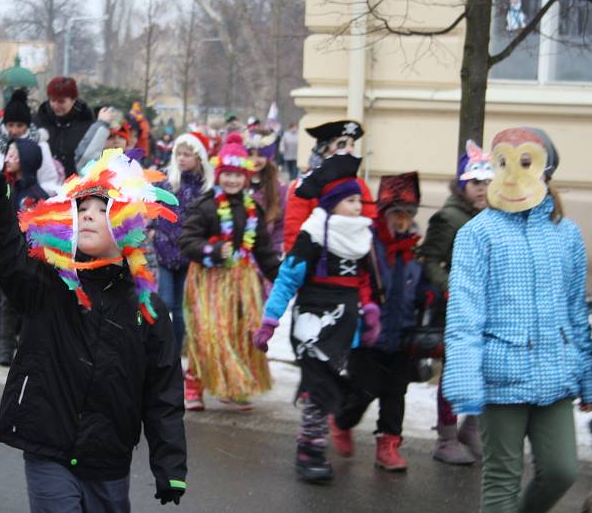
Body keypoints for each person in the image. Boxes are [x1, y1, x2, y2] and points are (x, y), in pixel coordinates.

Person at [0, 145, 187, 511]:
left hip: (109, 458)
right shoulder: (49, 281)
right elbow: (6, 255)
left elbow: (163, 391)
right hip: (48, 446)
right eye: (81, 208)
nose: (88, 216)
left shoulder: (147, 306)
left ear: (128, 222)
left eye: (102, 210)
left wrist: (170, 466)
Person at [443, 127, 592, 513]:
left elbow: (576, 309)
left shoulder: (567, 233)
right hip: (502, 376)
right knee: (501, 480)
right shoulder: (477, 234)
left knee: (561, 471)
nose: (515, 174)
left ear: (546, 171)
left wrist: (588, 377)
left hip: (555, 375)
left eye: (527, 162)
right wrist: (464, 377)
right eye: (505, 164)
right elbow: (464, 312)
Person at [253, 170, 374, 482]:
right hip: (313, 324)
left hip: (344, 324)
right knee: (319, 390)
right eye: (350, 200)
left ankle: (320, 417)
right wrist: (270, 321)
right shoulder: (312, 236)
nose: (358, 206)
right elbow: (287, 279)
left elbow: (363, 281)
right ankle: (310, 451)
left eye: (359, 199)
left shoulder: (361, 237)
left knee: (336, 386)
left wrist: (369, 310)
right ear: (332, 203)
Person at [330, 172, 426, 472]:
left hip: (403, 334)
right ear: (383, 214)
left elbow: (420, 289)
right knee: (365, 389)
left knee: (396, 393)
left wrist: (430, 297)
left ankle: (388, 445)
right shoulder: (367, 245)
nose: (402, 220)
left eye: (407, 215)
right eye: (396, 214)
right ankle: (342, 421)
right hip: (369, 334)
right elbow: (355, 281)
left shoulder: (413, 250)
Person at [179, 133, 280, 411]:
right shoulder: (206, 205)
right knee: (208, 332)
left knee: (241, 333)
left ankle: (233, 385)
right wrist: (211, 251)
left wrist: (281, 278)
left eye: (238, 175)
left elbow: (264, 250)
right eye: (228, 175)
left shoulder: (253, 210)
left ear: (245, 178)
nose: (232, 180)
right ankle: (194, 383)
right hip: (209, 281)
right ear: (219, 174)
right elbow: (187, 241)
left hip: (243, 281)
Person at [418, 140, 493, 466]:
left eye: (489, 183)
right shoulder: (448, 218)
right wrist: (454, 287)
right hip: (454, 308)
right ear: (464, 184)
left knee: (486, 367)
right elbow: (429, 261)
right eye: (477, 182)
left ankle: (471, 428)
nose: (483, 189)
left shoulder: (494, 217)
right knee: (453, 371)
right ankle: (446, 437)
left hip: (487, 307)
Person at [152, 132, 214, 351]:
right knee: (164, 301)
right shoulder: (166, 180)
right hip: (165, 250)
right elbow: (150, 206)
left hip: (189, 255)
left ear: (199, 158)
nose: (181, 159)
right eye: (178, 154)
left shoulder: (205, 188)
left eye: (187, 155)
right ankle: (158, 344)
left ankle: (176, 349)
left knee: (180, 308)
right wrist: (151, 228)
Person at [282, 120, 377, 253]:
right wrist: (296, 264)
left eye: (352, 144)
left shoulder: (359, 184)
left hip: (353, 259)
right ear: (324, 149)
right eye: (342, 144)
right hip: (316, 260)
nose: (350, 149)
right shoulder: (305, 185)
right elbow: (294, 231)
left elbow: (370, 221)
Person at [0, 137, 49, 366]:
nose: (8, 158)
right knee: (6, 302)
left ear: (26, 161)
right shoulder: (7, 187)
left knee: (24, 306)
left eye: (14, 155)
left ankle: (21, 348)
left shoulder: (35, 195)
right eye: (8, 153)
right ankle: (4, 347)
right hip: (7, 254)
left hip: (27, 258)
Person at [0, 89, 59, 196]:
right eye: (10, 125)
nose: (14, 130)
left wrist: (35, 198)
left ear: (27, 125)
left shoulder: (40, 146)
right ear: (4, 124)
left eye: (19, 125)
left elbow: (49, 181)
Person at [34, 76, 94, 178]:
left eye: (61, 101)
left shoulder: (87, 123)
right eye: (52, 100)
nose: (56, 105)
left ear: (73, 100)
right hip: (45, 185)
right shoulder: (39, 121)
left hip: (77, 183)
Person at [245, 127, 287, 255]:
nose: (254, 160)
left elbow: (280, 226)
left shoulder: (278, 187)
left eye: (261, 155)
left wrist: (275, 251)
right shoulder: (236, 182)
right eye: (250, 154)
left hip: (265, 253)